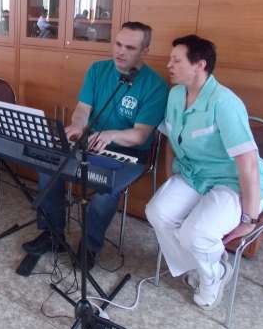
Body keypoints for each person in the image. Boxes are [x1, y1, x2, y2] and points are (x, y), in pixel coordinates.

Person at [23, 22, 168, 269]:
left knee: (105, 191)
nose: (120, 52)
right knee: (49, 166)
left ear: (145, 51)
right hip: (89, 143)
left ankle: (89, 246)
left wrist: (110, 135)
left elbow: (140, 135)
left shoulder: (156, 86)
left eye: (130, 48)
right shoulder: (98, 70)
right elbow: (82, 109)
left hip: (129, 154)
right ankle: (52, 234)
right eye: (118, 44)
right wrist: (78, 125)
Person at [145, 35, 263, 310]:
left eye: (176, 60)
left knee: (195, 234)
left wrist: (250, 219)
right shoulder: (176, 94)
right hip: (194, 175)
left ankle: (214, 274)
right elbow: (171, 140)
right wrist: (171, 179)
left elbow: (248, 163)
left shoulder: (224, 102)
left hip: (234, 181)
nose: (169, 65)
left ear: (199, 65)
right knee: (158, 212)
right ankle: (200, 266)